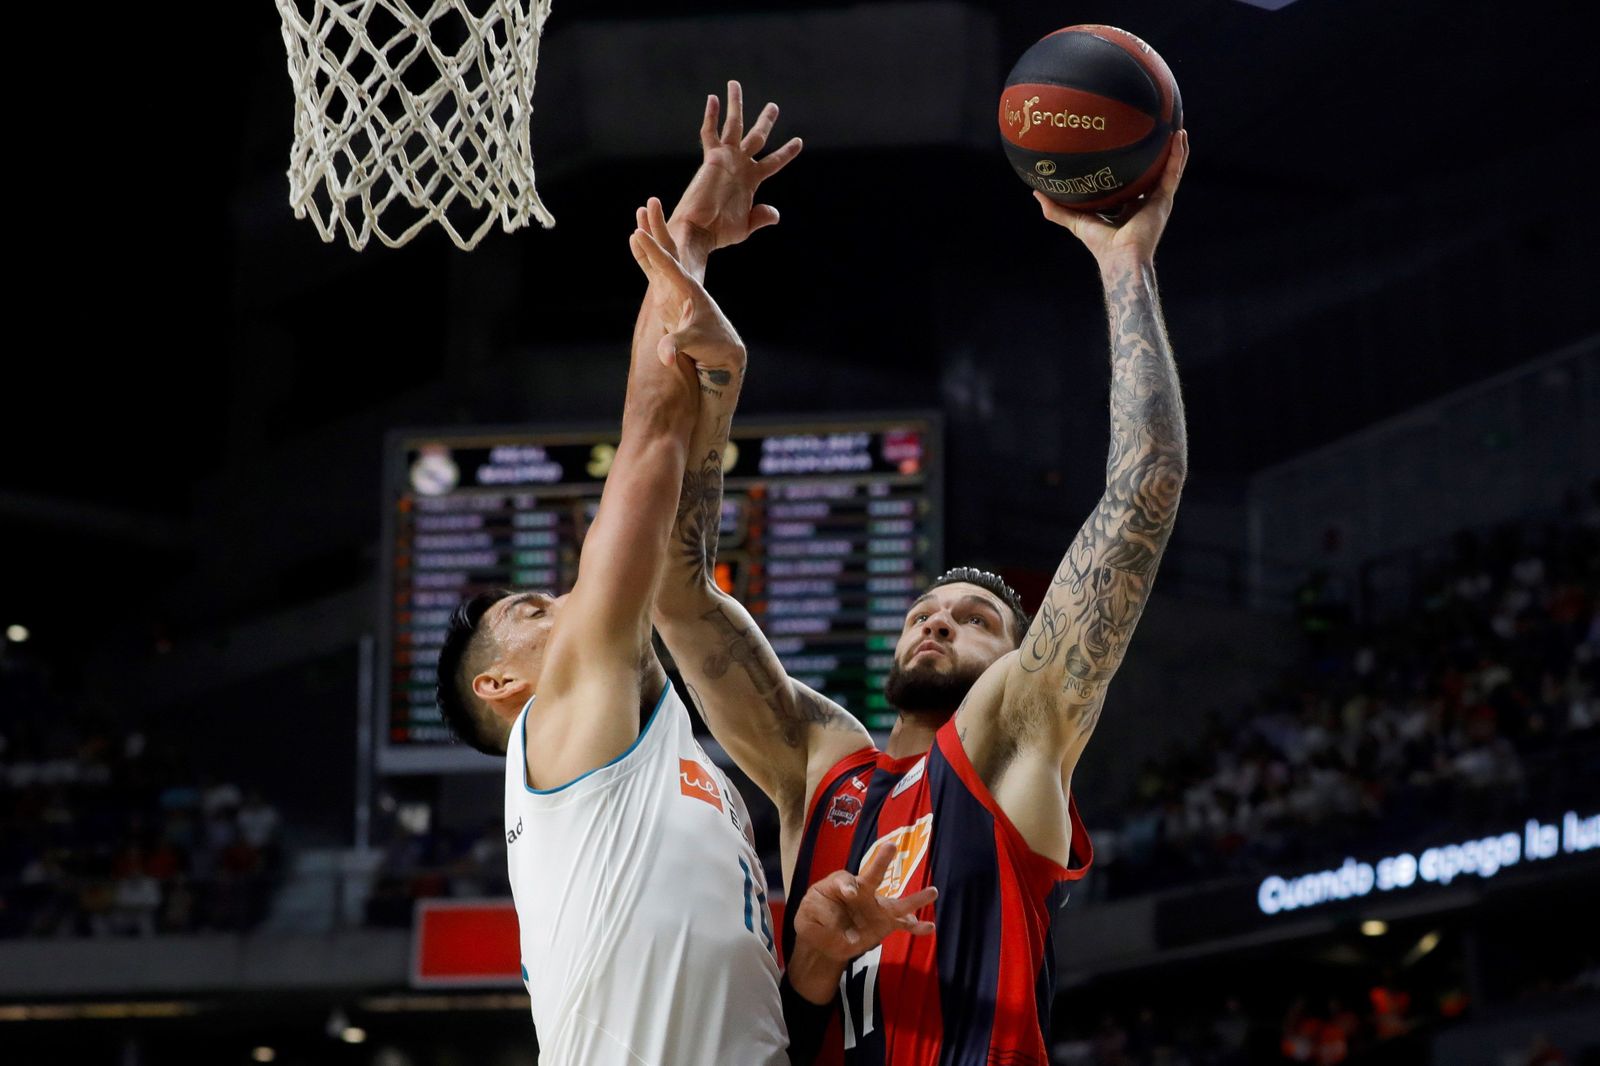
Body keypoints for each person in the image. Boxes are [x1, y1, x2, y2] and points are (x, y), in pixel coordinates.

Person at [652, 130, 1191, 1062]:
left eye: (977, 620)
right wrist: (713, 363)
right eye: (923, 615)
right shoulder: (822, 765)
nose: (939, 619)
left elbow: (1145, 484)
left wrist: (1125, 261)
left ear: (1018, 656)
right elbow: (672, 591)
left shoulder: (1013, 728)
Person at [433, 87, 934, 1066]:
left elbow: (674, 568)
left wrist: (816, 964)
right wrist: (690, 251)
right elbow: (647, 450)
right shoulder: (565, 717)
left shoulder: (675, 767)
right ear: (504, 688)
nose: (573, 601)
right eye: (535, 611)